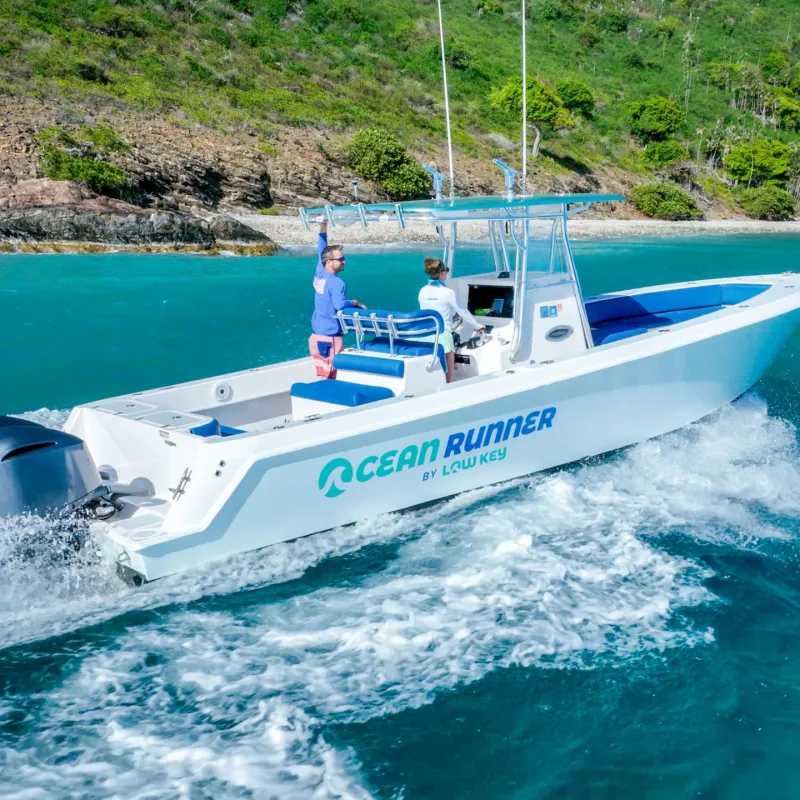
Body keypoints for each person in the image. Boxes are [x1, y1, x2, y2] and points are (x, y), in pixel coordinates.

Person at [309, 222, 365, 378]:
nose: (344, 261)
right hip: (329, 339)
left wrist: (323, 227)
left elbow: (321, 249)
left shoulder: (319, 272)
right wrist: (355, 303)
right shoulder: (337, 282)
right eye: (341, 259)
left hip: (315, 337)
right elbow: (339, 304)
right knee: (329, 377)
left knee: (321, 374)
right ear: (329, 262)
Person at [418, 257, 483, 383]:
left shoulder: (422, 291)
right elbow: (463, 312)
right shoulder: (448, 292)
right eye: (446, 270)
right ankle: (450, 384)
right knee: (449, 378)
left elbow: (434, 311)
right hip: (442, 336)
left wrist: (453, 318)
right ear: (442, 273)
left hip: (425, 335)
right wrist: (478, 326)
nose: (447, 273)